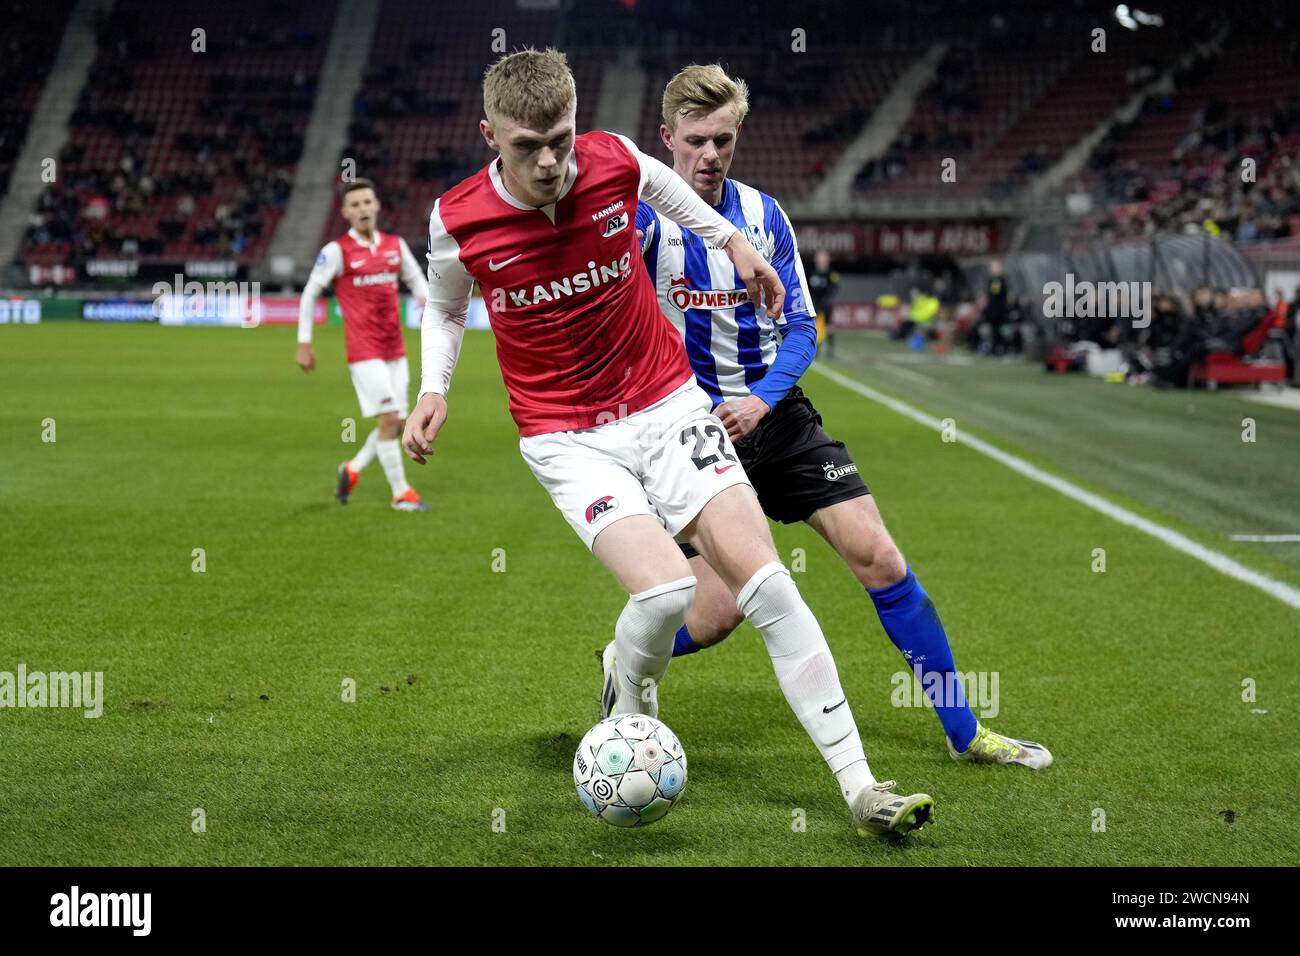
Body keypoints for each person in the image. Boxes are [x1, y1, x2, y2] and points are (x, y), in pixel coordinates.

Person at [403, 48, 933, 836]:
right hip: (565, 435)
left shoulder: (613, 160)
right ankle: (631, 680)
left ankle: (861, 789)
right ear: (490, 135)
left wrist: (739, 246)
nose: (551, 161)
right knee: (666, 594)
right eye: (527, 146)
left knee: (769, 587)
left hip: (664, 402)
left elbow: (675, 193)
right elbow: (447, 309)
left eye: (562, 139)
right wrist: (434, 387)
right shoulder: (458, 219)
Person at [626, 63, 1051, 770]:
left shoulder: (765, 218)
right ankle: (624, 657)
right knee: (717, 613)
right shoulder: (644, 224)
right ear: (666, 138)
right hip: (690, 434)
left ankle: (966, 731)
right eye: (696, 140)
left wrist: (762, 399)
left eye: (723, 141)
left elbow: (801, 328)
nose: (709, 156)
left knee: (880, 556)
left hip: (778, 417)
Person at [297, 178, 430, 511]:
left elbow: (418, 281)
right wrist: (304, 343)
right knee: (388, 420)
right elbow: (310, 293)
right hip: (364, 351)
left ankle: (352, 469)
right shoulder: (336, 251)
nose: (362, 209)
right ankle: (401, 494)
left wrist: (426, 300)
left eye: (367, 202)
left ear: (377, 205)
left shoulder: (394, 246)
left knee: (397, 423)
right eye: (354, 205)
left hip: (395, 349)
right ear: (345, 212)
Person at [807, 249, 840, 356]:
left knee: (828, 326)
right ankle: (816, 350)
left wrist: (828, 299)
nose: (821, 261)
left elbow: (835, 287)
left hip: (826, 303)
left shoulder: (831, 273)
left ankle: (830, 350)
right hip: (815, 303)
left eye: (823, 259)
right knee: (815, 327)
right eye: (819, 258)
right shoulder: (812, 272)